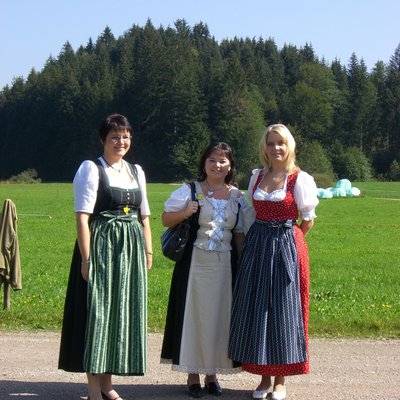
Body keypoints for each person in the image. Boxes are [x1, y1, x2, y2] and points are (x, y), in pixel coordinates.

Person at [58, 113, 152, 400]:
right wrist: (87, 260)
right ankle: (93, 389)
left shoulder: (136, 171)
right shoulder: (91, 169)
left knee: (118, 315)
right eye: (114, 137)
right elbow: (82, 218)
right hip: (101, 248)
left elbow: (144, 216)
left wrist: (148, 252)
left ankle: (108, 384)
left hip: (130, 251)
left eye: (125, 136)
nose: (120, 142)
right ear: (103, 140)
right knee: (97, 315)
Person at [228, 124, 319, 400]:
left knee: (283, 311)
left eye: (280, 143)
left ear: (289, 145)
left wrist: (290, 243)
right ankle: (263, 378)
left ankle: (281, 380)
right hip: (258, 246)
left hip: (286, 247)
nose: (275, 148)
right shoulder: (258, 176)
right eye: (270, 143)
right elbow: (251, 213)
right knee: (259, 311)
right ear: (264, 148)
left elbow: (308, 220)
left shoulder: (299, 179)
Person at [160, 142, 244, 398]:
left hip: (225, 267)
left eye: (222, 161)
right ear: (204, 163)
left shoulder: (237, 196)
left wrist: (242, 265)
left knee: (219, 320)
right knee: (194, 318)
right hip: (194, 265)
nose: (217, 165)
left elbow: (239, 234)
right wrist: (185, 212)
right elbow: (165, 218)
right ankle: (193, 375)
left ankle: (212, 374)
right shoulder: (190, 190)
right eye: (212, 160)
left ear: (229, 166)